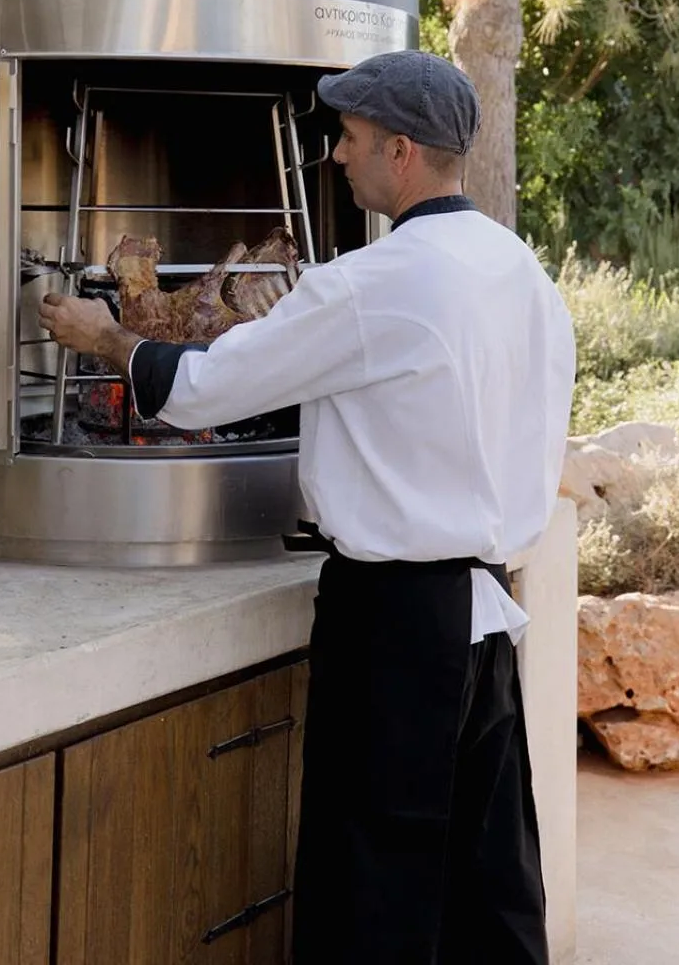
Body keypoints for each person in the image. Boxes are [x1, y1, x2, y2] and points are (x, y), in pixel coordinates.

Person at [39, 49, 576, 965]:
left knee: (373, 886)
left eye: (350, 138)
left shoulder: (374, 281)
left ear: (401, 151)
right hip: (483, 618)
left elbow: (209, 387)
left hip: (398, 622)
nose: (333, 156)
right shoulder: (517, 268)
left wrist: (108, 339)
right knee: (486, 882)